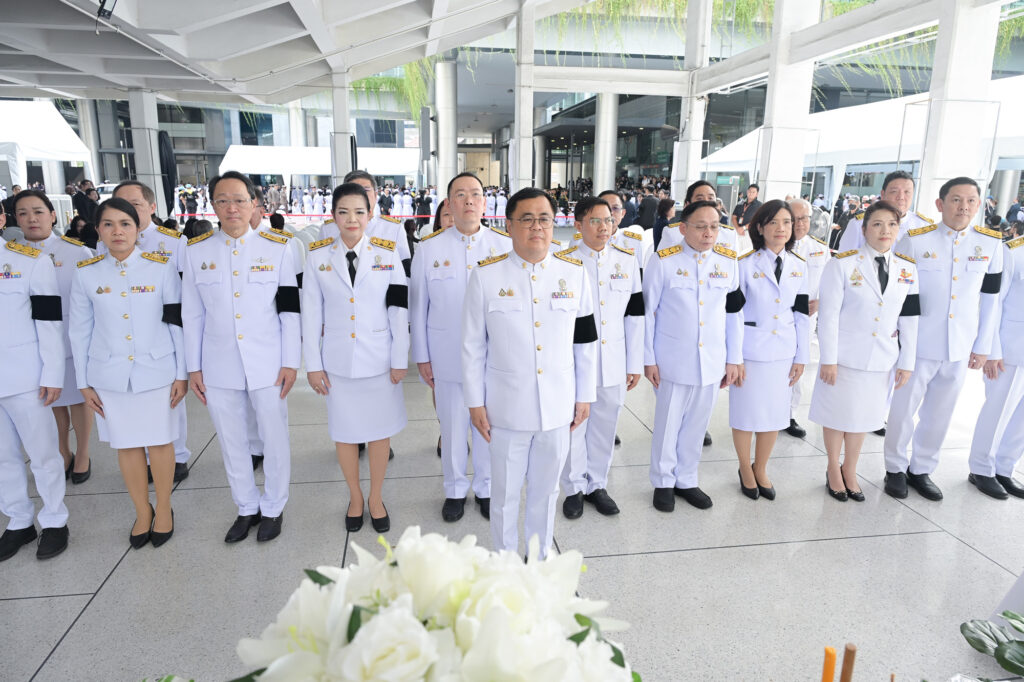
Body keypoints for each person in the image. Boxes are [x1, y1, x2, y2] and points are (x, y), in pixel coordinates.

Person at [462, 187, 597, 559]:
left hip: (558, 406)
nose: (537, 226)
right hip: (505, 408)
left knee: (546, 491)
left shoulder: (574, 273)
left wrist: (585, 394)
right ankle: (505, 564)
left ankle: (538, 562)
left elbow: (585, 341)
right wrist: (475, 402)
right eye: (527, 219)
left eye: (544, 219)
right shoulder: (486, 276)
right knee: (504, 495)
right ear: (508, 225)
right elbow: (472, 346)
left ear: (555, 225)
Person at [182, 171, 300, 543]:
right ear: (212, 205)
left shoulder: (278, 247)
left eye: (239, 200)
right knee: (231, 440)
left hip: (268, 362)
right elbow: (192, 313)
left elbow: (290, 311)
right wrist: (193, 368)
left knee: (273, 435)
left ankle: (273, 507)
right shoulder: (196, 251)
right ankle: (246, 507)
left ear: (254, 204)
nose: (231, 207)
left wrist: (290, 361)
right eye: (222, 200)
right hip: (218, 364)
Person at [70, 198, 186, 548]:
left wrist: (182, 373)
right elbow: (79, 331)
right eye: (108, 224)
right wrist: (83, 383)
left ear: (138, 229)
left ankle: (163, 508)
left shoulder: (160, 267)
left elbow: (176, 323)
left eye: (125, 223)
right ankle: (142, 511)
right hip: (109, 374)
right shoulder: (86, 273)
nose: (117, 231)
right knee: (126, 445)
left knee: (160, 441)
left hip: (157, 370)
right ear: (98, 230)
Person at [883, 177, 1003, 501]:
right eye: (956, 200)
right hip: (919, 343)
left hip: (960, 346)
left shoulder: (991, 244)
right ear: (940, 204)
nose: (963, 207)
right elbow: (899, 292)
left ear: (979, 205)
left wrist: (983, 346)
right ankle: (894, 467)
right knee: (904, 409)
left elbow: (991, 300)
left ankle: (921, 469)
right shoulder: (915, 241)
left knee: (940, 412)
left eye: (971, 201)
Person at [303, 183, 409, 533]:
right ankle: (355, 496)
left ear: (370, 214)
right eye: (344, 211)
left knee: (380, 433)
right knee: (345, 433)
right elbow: (310, 315)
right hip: (337, 363)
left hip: (379, 359)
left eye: (360, 212)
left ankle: (376, 497)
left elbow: (398, 309)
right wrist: (313, 366)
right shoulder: (317, 256)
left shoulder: (387, 253)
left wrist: (399, 358)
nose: (352, 219)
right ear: (333, 216)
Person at [412, 172, 511, 523]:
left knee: (487, 425)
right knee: (453, 426)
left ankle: (485, 487)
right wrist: (422, 356)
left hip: (492, 357)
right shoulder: (429, 248)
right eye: (460, 195)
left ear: (484, 203)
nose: (468, 200)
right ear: (450, 204)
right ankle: (454, 489)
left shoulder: (502, 246)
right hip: (446, 355)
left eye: (475, 194)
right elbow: (418, 307)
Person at [810, 201, 919, 502]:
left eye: (892, 225)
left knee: (863, 417)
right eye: (878, 224)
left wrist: (906, 361)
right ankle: (833, 467)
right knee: (837, 414)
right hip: (844, 358)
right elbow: (828, 316)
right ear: (864, 229)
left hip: (882, 358)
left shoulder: (907, 270)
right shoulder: (842, 264)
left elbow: (909, 318)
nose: (885, 230)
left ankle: (851, 468)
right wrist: (828, 359)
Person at [644, 201, 744, 511]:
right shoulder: (663, 261)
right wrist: (648, 359)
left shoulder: (728, 262)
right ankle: (662, 480)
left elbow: (733, 315)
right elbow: (648, 313)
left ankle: (686, 478)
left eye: (714, 226)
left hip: (712, 359)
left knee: (697, 424)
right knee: (669, 423)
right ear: (683, 228)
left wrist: (734, 358)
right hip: (673, 357)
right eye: (700, 226)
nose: (708, 232)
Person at [559, 197, 643, 519]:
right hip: (574, 361)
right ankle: (574, 487)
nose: (603, 227)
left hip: (613, 361)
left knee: (605, 425)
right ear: (578, 224)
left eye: (608, 220)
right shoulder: (563, 261)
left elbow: (635, 316)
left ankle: (597, 484)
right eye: (595, 220)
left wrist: (634, 363)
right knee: (575, 424)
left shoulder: (626, 260)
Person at [109, 181, 192, 481]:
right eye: (121, 205)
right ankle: (142, 456)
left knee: (169, 401)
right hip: (123, 338)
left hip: (162, 332)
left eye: (135, 205)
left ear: (152, 207)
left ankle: (178, 453)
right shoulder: (105, 242)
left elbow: (184, 298)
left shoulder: (173, 243)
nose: (128, 211)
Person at [13, 190, 95, 483]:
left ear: (53, 215)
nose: (31, 219)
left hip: (71, 342)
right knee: (53, 402)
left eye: (38, 211)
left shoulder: (76, 252)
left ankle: (83, 452)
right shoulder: (12, 255)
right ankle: (63, 451)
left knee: (77, 399)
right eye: (23, 213)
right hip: (32, 346)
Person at [730, 200, 809, 501]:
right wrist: (734, 357)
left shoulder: (799, 266)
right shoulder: (744, 264)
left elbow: (801, 314)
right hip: (750, 351)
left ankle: (760, 467)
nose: (781, 228)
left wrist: (802, 356)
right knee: (745, 414)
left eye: (787, 222)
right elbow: (733, 315)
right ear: (760, 227)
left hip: (783, 352)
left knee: (775, 415)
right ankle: (744, 467)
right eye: (774, 222)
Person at [0, 222, 69, 561]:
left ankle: (55, 520)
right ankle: (18, 520)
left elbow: (49, 321)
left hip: (25, 377)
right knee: (2, 457)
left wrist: (53, 372)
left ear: (1, 220)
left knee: (43, 454)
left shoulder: (29, 261)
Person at [967, 232, 1024, 500]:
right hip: (1010, 348)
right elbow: (993, 303)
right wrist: (992, 350)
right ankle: (982, 468)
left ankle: (1004, 468)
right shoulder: (1013, 250)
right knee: (998, 410)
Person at [785, 198, 832, 439]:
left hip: (806, 319)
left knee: (798, 365)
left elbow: (830, 284)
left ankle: (789, 415)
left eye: (805, 218)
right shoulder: (777, 244)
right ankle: (768, 411)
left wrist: (821, 302)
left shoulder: (820, 249)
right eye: (795, 218)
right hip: (778, 319)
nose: (800, 224)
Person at [319, 171, 412, 278]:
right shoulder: (328, 229)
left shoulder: (394, 228)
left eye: (365, 190)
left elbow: (405, 272)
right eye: (354, 190)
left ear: (376, 195)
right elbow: (322, 270)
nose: (360, 195)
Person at [837, 171, 934, 253]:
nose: (901, 197)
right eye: (894, 191)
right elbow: (844, 265)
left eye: (907, 192)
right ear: (883, 194)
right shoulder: (858, 224)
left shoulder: (924, 227)